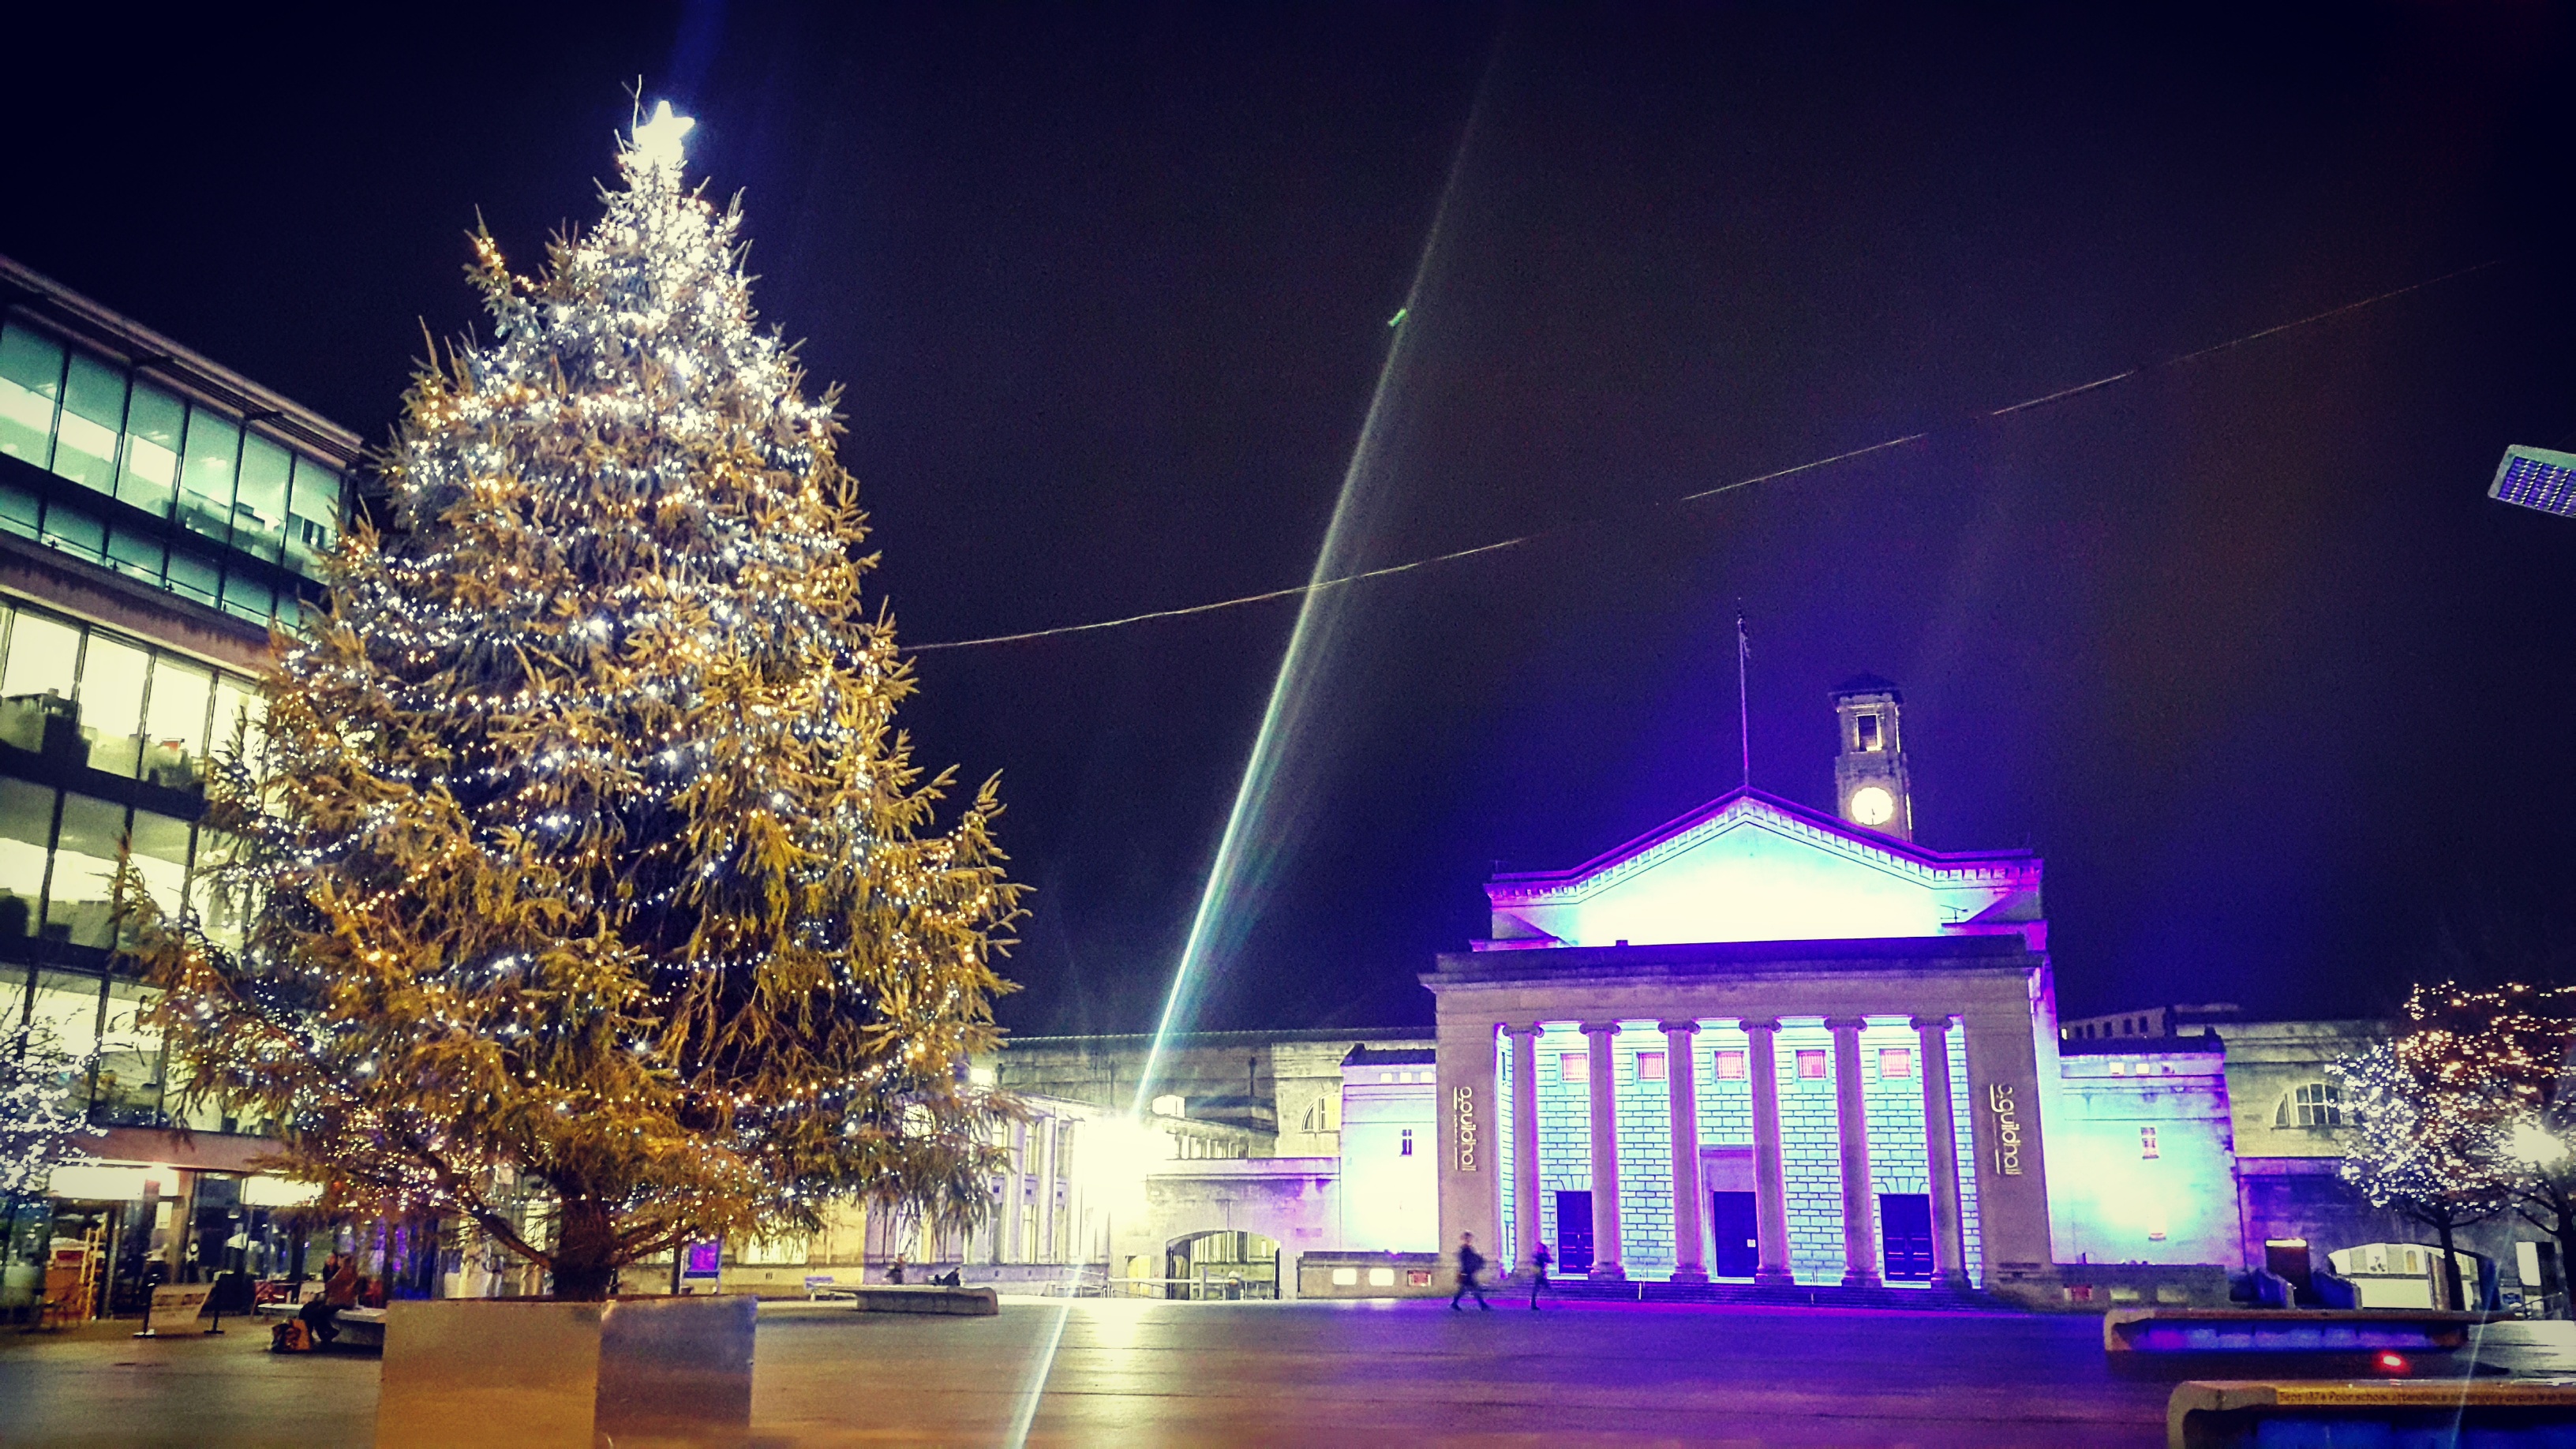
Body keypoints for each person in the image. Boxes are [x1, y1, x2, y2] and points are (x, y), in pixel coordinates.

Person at [1450, 1231, 1489, 1311]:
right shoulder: (1465, 1250)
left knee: (1463, 1289)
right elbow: (1466, 1261)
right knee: (1474, 1289)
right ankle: (1483, 1305)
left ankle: (1455, 1303)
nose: (1470, 1240)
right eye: (1468, 1238)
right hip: (1467, 1273)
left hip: (1467, 1272)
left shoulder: (1467, 1249)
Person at [1527, 1240, 1552, 1309]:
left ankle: (1533, 1303)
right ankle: (1533, 1303)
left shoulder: (1541, 1255)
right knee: (1538, 1286)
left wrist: (1546, 1253)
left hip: (1540, 1272)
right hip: (1539, 1272)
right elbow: (1547, 1260)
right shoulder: (1538, 1255)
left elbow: (1549, 1260)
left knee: (1538, 1286)